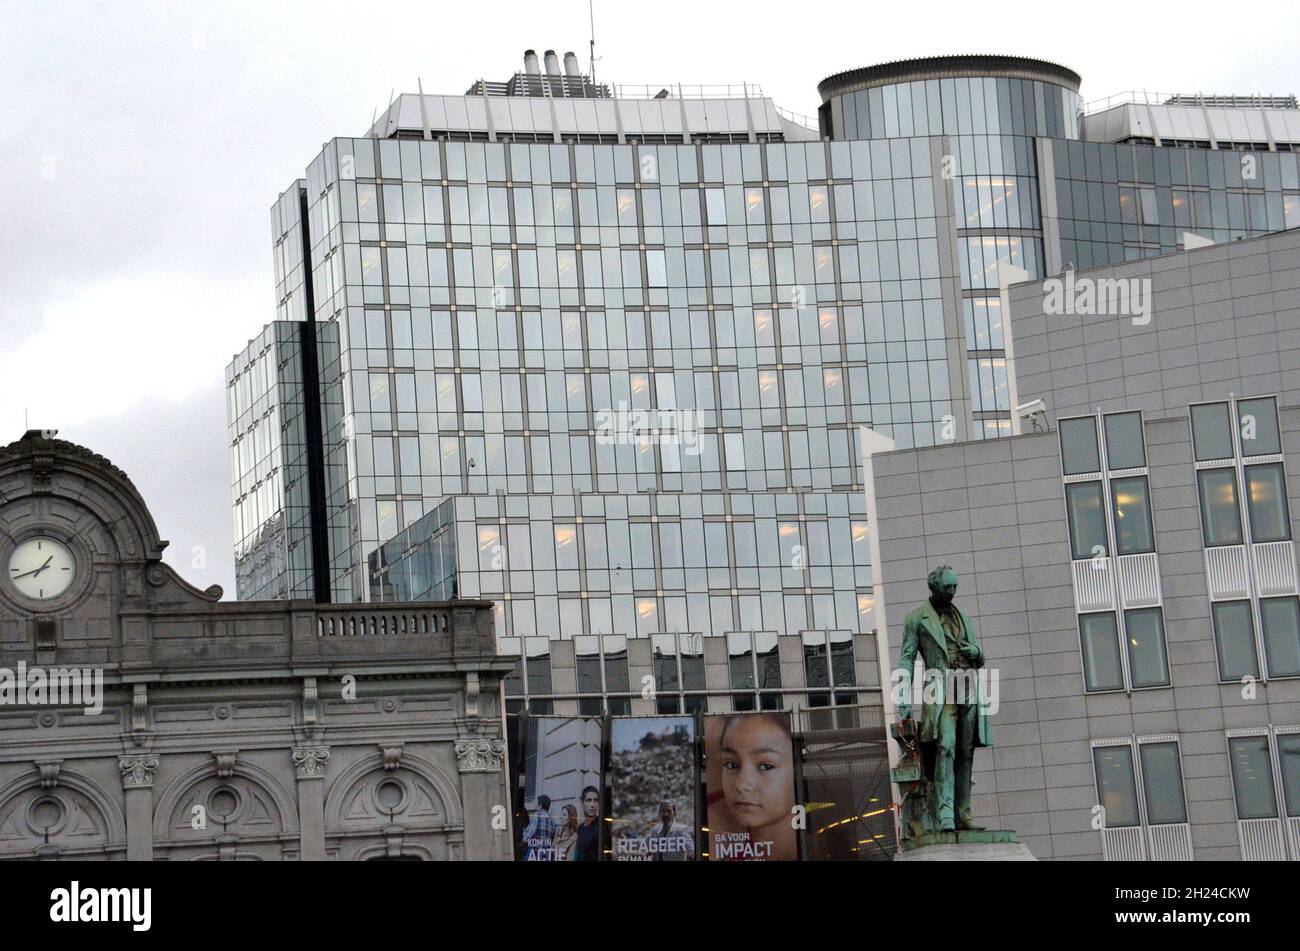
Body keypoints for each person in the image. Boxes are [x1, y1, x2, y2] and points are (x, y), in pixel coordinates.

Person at [897, 564, 990, 834]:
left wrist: (976, 652)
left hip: (968, 688)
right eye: (948, 587)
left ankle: (964, 814)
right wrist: (902, 697)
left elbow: (979, 657)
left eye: (955, 587)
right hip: (939, 691)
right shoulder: (916, 618)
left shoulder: (964, 617)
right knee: (945, 747)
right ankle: (945, 812)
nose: (952, 592)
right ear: (934, 587)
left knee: (965, 752)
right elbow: (906, 658)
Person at [716, 713, 797, 861]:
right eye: (731, 764)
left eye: (766, 766)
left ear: (797, 769)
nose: (741, 784)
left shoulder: (826, 851)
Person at [521, 794, 555, 860]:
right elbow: (552, 836)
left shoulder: (537, 815)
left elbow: (529, 834)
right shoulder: (551, 819)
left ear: (540, 805)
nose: (536, 805)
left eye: (537, 803)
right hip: (546, 854)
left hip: (535, 853)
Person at [573, 785, 601, 861]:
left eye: (595, 800)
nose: (592, 805)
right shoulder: (581, 827)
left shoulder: (601, 826)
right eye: (588, 800)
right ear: (582, 802)